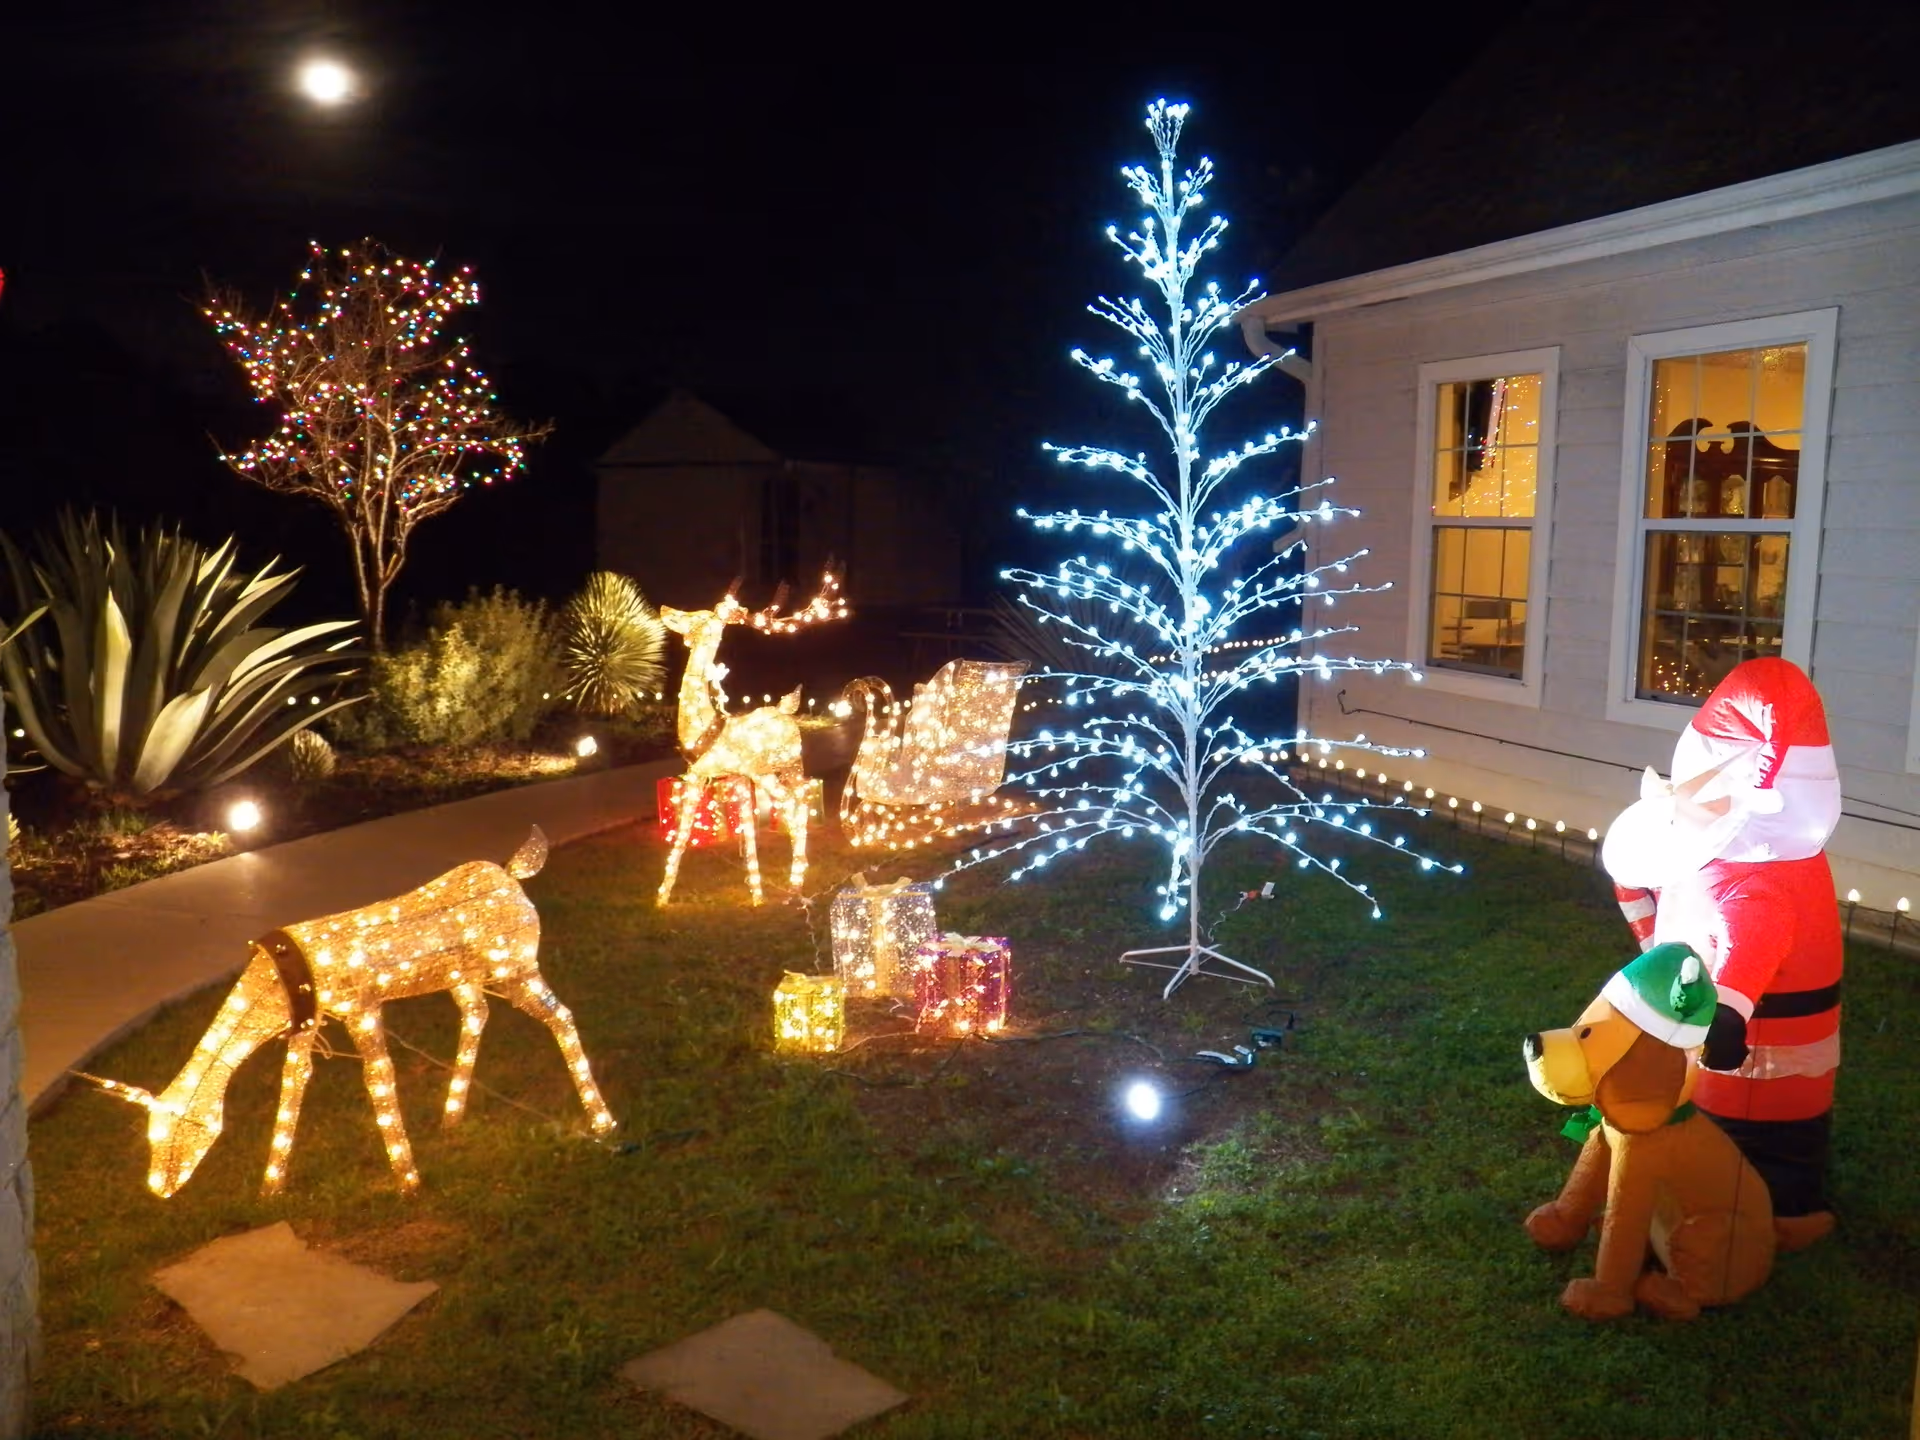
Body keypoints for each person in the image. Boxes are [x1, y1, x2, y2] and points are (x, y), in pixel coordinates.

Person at [1602, 657, 1842, 1248]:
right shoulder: (1716, 853)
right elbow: (1661, 887)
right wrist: (1650, 926)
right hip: (1718, 1038)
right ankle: (1747, 1192)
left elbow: (1750, 941)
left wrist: (1728, 1013)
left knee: (1760, 1134)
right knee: (1728, 1123)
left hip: (1758, 1056)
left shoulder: (1765, 877)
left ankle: (1780, 1212)